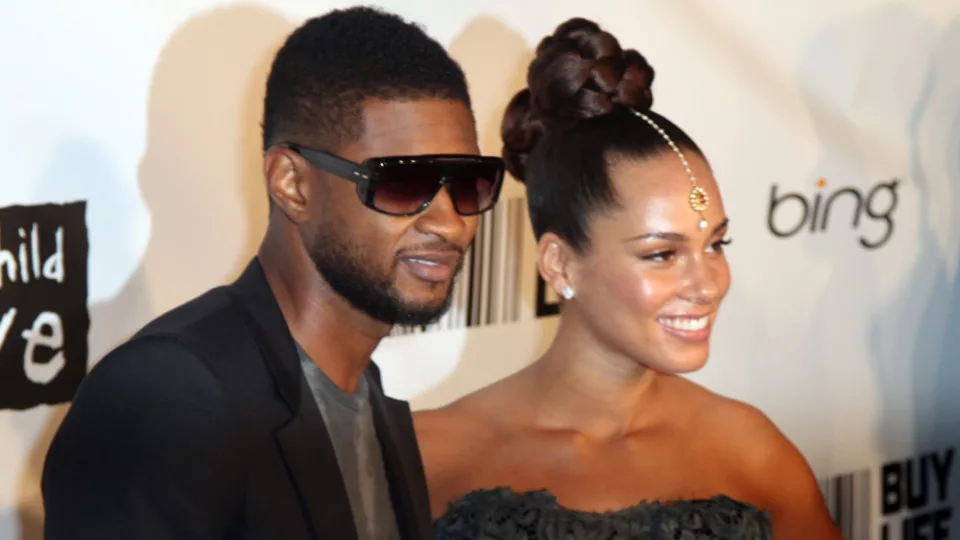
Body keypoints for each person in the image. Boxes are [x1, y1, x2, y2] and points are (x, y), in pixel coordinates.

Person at [41, 6, 504, 540]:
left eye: (469, 185)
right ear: (291, 183)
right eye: (403, 184)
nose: (450, 223)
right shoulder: (165, 397)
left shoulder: (368, 395)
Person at [415, 17, 842, 540]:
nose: (708, 284)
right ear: (559, 264)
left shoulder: (753, 451)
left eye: (716, 245)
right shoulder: (431, 456)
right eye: (663, 254)